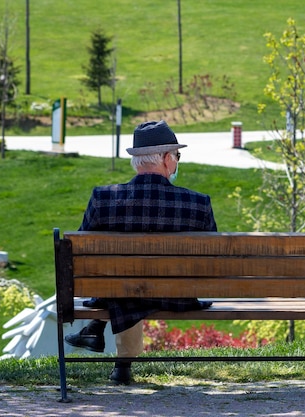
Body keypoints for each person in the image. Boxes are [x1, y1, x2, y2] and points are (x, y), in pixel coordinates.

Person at [64, 120, 217, 385]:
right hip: (176, 295)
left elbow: (81, 257)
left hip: (121, 292)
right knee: (131, 285)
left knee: (122, 285)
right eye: (177, 156)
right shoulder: (197, 203)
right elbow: (214, 260)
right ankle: (114, 356)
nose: (178, 162)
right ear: (167, 159)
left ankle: (104, 342)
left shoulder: (104, 199)